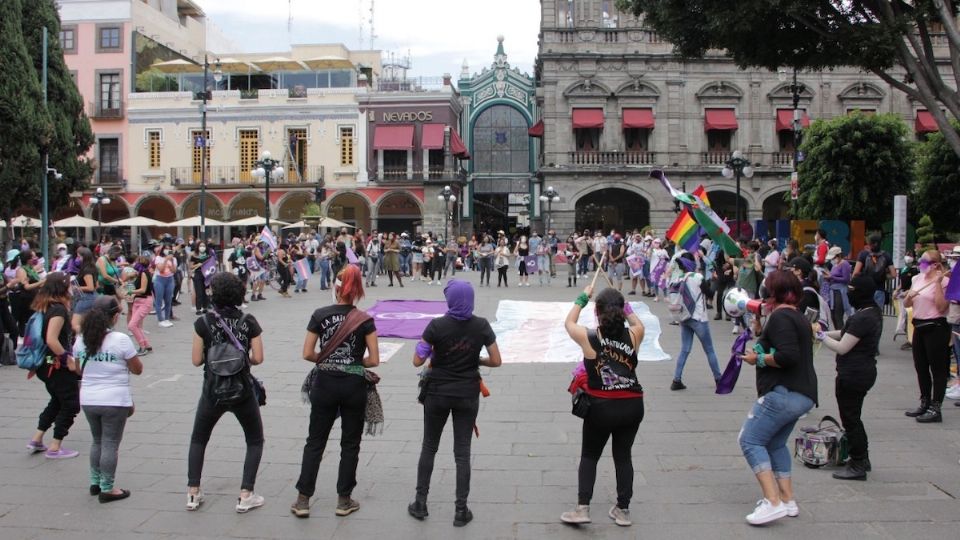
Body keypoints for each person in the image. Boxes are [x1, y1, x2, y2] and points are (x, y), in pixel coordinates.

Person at [408, 280, 502, 526]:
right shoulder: (481, 326)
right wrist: (476, 360)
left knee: (429, 446)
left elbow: (417, 361)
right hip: (467, 394)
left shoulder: (436, 326)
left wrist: (429, 349)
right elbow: (496, 360)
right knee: (462, 453)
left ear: (449, 299)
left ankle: (420, 503)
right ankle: (461, 510)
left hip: (437, 393)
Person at [292, 265, 379, 519]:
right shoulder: (365, 320)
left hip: (325, 384)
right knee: (350, 443)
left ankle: (303, 500)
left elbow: (308, 353)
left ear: (336, 287)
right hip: (353, 385)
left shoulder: (320, 314)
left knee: (315, 441)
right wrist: (351, 363)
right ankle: (344, 500)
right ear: (357, 291)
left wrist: (329, 360)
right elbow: (373, 359)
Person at [737, 270, 817, 525]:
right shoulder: (796, 316)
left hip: (783, 393)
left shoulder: (781, 317)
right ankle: (787, 500)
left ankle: (772, 502)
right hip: (801, 394)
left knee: (750, 440)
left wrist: (757, 359)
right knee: (775, 444)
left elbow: (787, 355)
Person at [561, 287, 645, 527]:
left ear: (597, 312)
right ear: (621, 311)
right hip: (632, 404)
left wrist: (582, 298)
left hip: (601, 406)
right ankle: (623, 509)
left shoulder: (589, 337)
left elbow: (569, 322)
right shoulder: (636, 334)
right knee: (623, 456)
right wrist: (625, 305)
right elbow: (635, 320)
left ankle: (582, 508)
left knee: (590, 455)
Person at [187, 273, 266, 513]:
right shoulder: (248, 321)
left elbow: (196, 360)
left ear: (214, 293)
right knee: (254, 439)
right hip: (242, 390)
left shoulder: (203, 323)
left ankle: (193, 492)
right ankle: (246, 494)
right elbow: (258, 358)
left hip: (212, 390)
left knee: (199, 438)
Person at [74, 296, 143, 502]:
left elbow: (78, 369)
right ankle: (108, 488)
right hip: (114, 399)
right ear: (113, 317)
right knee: (110, 443)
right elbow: (137, 369)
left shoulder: (80, 339)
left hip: (88, 398)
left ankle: (95, 482)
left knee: (97, 441)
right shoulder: (120, 340)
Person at [815, 276, 882, 480]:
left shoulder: (863, 318)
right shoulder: (871, 312)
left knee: (850, 419)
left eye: (852, 289)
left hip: (854, 373)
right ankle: (862, 458)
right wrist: (825, 332)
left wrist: (823, 338)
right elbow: (846, 333)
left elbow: (843, 347)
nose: (848, 293)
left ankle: (858, 462)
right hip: (863, 371)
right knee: (854, 417)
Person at [27, 273, 81, 459]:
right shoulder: (57, 310)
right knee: (71, 404)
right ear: (61, 288)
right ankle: (55, 447)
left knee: (57, 400)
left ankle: (37, 438)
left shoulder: (46, 306)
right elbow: (51, 339)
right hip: (56, 365)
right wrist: (68, 359)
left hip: (46, 365)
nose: (72, 288)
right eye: (69, 285)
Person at [903, 250, 950, 423]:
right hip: (919, 325)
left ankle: (936, 407)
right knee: (920, 366)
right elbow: (907, 303)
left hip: (936, 327)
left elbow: (942, 306)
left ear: (936, 265)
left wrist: (938, 284)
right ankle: (925, 401)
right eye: (921, 260)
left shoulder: (945, 281)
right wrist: (909, 296)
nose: (921, 264)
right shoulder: (917, 279)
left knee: (937, 369)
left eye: (925, 261)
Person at [670, 253, 722, 390]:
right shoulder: (698, 277)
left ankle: (676, 380)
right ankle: (719, 379)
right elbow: (710, 294)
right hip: (699, 318)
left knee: (685, 349)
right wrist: (714, 280)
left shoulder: (680, 278)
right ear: (692, 263)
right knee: (709, 350)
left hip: (684, 317)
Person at [853, 234, 895, 307]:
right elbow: (894, 274)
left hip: (865, 290)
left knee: (864, 313)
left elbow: (855, 273)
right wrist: (884, 276)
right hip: (879, 290)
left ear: (870, 244)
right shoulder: (886, 255)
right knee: (876, 315)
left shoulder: (863, 254)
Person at [127, 255, 154, 355]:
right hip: (138, 300)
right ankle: (147, 345)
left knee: (132, 325)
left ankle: (142, 346)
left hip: (144, 300)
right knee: (137, 325)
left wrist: (131, 292)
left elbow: (143, 290)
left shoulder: (144, 273)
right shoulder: (139, 273)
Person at [823, 246, 852, 330]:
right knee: (833, 315)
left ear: (838, 256)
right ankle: (837, 332)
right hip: (833, 291)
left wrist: (832, 277)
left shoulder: (844, 264)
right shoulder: (835, 265)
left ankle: (841, 334)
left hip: (840, 291)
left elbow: (846, 279)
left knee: (838, 314)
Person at [894, 251, 919, 349]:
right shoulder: (903, 269)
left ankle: (911, 338)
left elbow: (915, 285)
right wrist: (896, 290)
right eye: (907, 255)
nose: (908, 257)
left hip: (910, 294)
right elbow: (901, 283)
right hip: (902, 294)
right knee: (902, 316)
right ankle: (908, 337)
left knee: (909, 317)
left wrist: (908, 292)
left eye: (910, 255)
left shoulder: (915, 270)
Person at [71, 247, 99, 333]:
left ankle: (83, 337)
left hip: (85, 298)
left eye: (79, 257)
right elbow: (96, 285)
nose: (77, 259)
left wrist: (77, 287)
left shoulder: (87, 270)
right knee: (85, 322)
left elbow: (90, 287)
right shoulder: (93, 268)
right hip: (92, 297)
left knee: (74, 324)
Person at [152, 243, 177, 328]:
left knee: (168, 300)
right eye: (166, 248)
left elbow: (174, 271)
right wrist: (166, 259)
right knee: (159, 300)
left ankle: (167, 318)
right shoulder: (158, 258)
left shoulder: (173, 259)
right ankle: (160, 319)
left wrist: (172, 261)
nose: (167, 250)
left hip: (170, 280)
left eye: (169, 248)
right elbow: (161, 269)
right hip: (160, 280)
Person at [189, 241, 213, 313]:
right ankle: (198, 308)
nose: (202, 247)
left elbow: (212, 264)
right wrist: (197, 265)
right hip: (198, 274)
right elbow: (191, 266)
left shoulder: (208, 256)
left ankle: (205, 307)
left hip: (206, 275)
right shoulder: (194, 256)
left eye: (203, 246)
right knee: (199, 291)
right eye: (200, 246)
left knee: (206, 291)